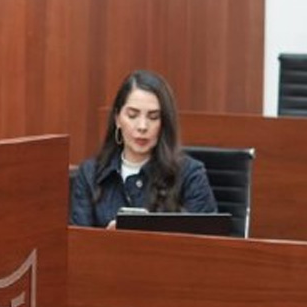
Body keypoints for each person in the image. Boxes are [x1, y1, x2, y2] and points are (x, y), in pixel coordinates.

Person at [70, 69, 216, 227]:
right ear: (118, 119)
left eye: (153, 117)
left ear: (164, 123)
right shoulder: (90, 174)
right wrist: (107, 240)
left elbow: (206, 245)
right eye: (132, 115)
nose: (142, 126)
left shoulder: (190, 175)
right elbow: (76, 245)